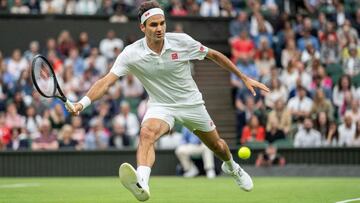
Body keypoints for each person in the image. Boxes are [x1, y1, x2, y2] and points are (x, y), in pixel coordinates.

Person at [66, 1, 269, 201]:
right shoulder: (131, 54)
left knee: (218, 147)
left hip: (191, 104)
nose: (159, 28)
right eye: (153, 25)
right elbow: (105, 82)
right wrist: (81, 103)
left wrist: (243, 77)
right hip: (161, 106)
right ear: (142, 27)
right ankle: (142, 183)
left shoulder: (181, 42)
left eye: (162, 23)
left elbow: (214, 55)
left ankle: (232, 167)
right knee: (146, 133)